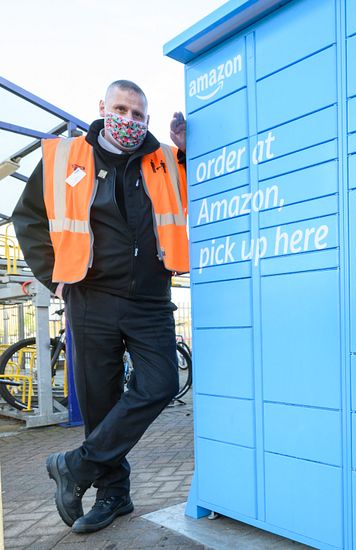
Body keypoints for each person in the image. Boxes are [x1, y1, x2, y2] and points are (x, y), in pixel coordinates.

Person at [12, 80, 188, 534]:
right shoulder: (62, 157)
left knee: (162, 382)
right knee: (99, 400)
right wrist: (55, 278)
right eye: (121, 109)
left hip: (150, 297)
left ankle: (77, 465)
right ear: (102, 109)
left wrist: (187, 154)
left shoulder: (166, 160)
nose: (129, 120)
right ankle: (114, 494)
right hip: (90, 297)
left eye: (139, 115)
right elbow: (27, 217)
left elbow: (194, 200)